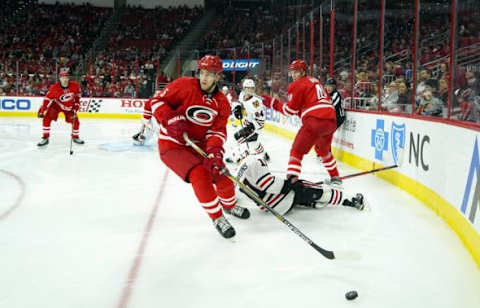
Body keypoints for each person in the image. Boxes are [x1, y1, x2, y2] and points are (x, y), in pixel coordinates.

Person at [151, 55, 250, 239]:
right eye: (202, 72)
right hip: (172, 145)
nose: (204, 78)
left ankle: (228, 206)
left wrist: (214, 152)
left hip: (198, 146)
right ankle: (217, 217)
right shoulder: (184, 85)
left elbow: (217, 131)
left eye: (209, 74)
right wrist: (170, 118)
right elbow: (156, 101)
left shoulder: (222, 102)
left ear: (218, 77)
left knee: (222, 175)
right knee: (200, 174)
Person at [262, 60, 340, 186]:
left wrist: (272, 103)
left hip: (315, 120)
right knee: (323, 151)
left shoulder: (297, 85)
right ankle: (336, 178)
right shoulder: (315, 81)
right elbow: (308, 104)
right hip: (330, 121)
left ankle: (291, 179)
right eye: (292, 72)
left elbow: (289, 110)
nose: (293, 75)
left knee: (296, 150)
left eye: (296, 72)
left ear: (303, 72)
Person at [235, 150, 364, 215]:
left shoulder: (237, 175)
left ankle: (312, 202)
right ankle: (350, 200)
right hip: (282, 200)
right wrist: (288, 184)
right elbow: (270, 185)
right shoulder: (254, 160)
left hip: (270, 208)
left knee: (297, 191)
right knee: (305, 186)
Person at [37, 69, 84, 147]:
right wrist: (42, 110)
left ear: (68, 78)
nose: (64, 79)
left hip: (69, 106)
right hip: (56, 105)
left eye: (66, 78)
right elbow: (47, 99)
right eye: (62, 78)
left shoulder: (75, 85)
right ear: (60, 78)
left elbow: (78, 95)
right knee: (46, 118)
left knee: (76, 121)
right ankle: (45, 137)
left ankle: (75, 137)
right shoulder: (54, 88)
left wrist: (76, 104)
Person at [227, 78, 269, 163]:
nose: (250, 90)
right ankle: (264, 154)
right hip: (247, 123)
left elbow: (260, 119)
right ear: (244, 88)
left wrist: (253, 127)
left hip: (255, 126)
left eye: (252, 88)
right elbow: (240, 103)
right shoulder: (242, 95)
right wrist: (237, 107)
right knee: (254, 142)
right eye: (248, 88)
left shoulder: (256, 103)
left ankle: (237, 157)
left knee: (237, 138)